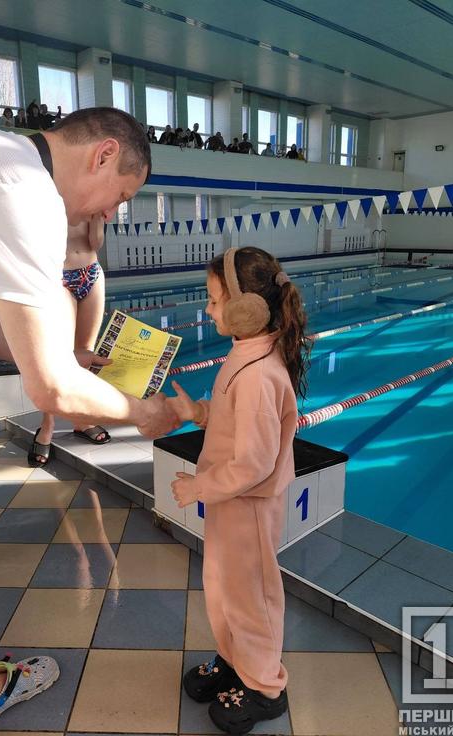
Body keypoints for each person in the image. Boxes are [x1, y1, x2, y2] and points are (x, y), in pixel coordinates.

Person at [0, 106, 179, 734]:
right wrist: (145, 413)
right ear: (102, 154)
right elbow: (52, 388)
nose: (111, 213)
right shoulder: (25, 197)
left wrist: (62, 353)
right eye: (121, 195)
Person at [168, 246, 310, 734]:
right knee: (224, 588)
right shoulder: (247, 352)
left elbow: (253, 463)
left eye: (213, 300)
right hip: (232, 501)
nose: (208, 310)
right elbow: (236, 426)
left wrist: (199, 486)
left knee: (251, 598)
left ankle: (265, 687)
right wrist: (200, 413)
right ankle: (235, 663)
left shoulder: (259, 372)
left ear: (246, 307)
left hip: (247, 503)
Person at [29, 214, 110, 466]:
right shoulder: (46, 199)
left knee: (85, 353)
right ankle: (47, 425)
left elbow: (95, 243)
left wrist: (97, 217)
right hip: (59, 278)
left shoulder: (95, 202)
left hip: (91, 273)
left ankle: (81, 419)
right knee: (58, 357)